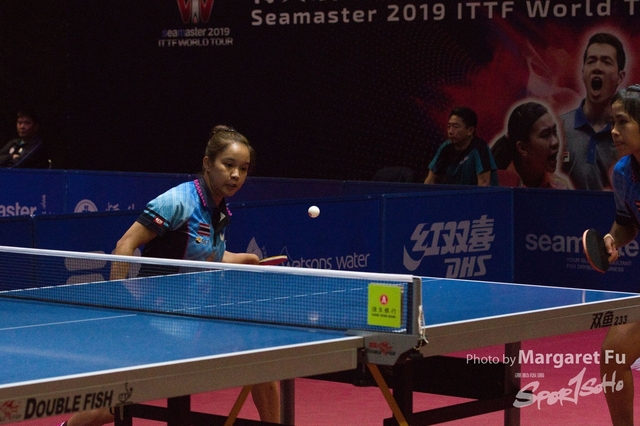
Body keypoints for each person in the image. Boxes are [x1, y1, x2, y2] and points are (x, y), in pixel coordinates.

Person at [61, 125, 280, 426]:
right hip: (161, 323)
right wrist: (117, 302)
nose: (235, 175)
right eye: (228, 165)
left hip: (197, 319)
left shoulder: (218, 210)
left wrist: (246, 259)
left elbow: (207, 255)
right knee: (116, 405)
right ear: (207, 163)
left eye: (243, 169)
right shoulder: (178, 201)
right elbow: (125, 244)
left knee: (264, 365)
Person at [599, 84, 640, 425]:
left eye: (623, 122)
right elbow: (627, 222)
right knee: (613, 355)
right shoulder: (624, 172)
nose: (614, 131)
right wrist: (614, 238)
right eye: (613, 122)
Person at [560, 32, 626, 190]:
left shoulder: (629, 135)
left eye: (606, 62)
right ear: (583, 72)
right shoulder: (559, 128)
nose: (597, 68)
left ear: (620, 77)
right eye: (591, 61)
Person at [491, 101, 571, 189]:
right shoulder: (495, 186)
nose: (555, 142)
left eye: (555, 132)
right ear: (522, 148)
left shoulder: (560, 187)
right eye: (545, 135)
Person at [424, 106, 498, 186]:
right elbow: (430, 180)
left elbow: (484, 183)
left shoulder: (480, 148)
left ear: (470, 130)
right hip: (454, 193)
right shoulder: (445, 147)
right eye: (449, 126)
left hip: (477, 193)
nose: (450, 131)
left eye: (455, 127)